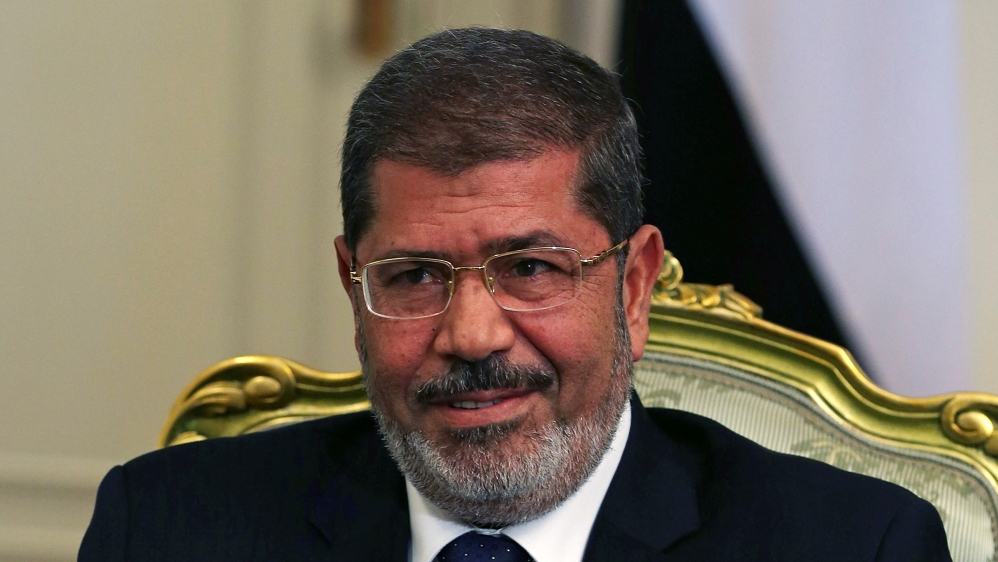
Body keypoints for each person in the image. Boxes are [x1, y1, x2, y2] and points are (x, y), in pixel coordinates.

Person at [79, 28, 951, 562]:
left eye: (530, 269)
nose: (471, 335)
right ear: (354, 288)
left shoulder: (849, 546)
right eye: (414, 276)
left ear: (634, 287)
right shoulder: (163, 531)